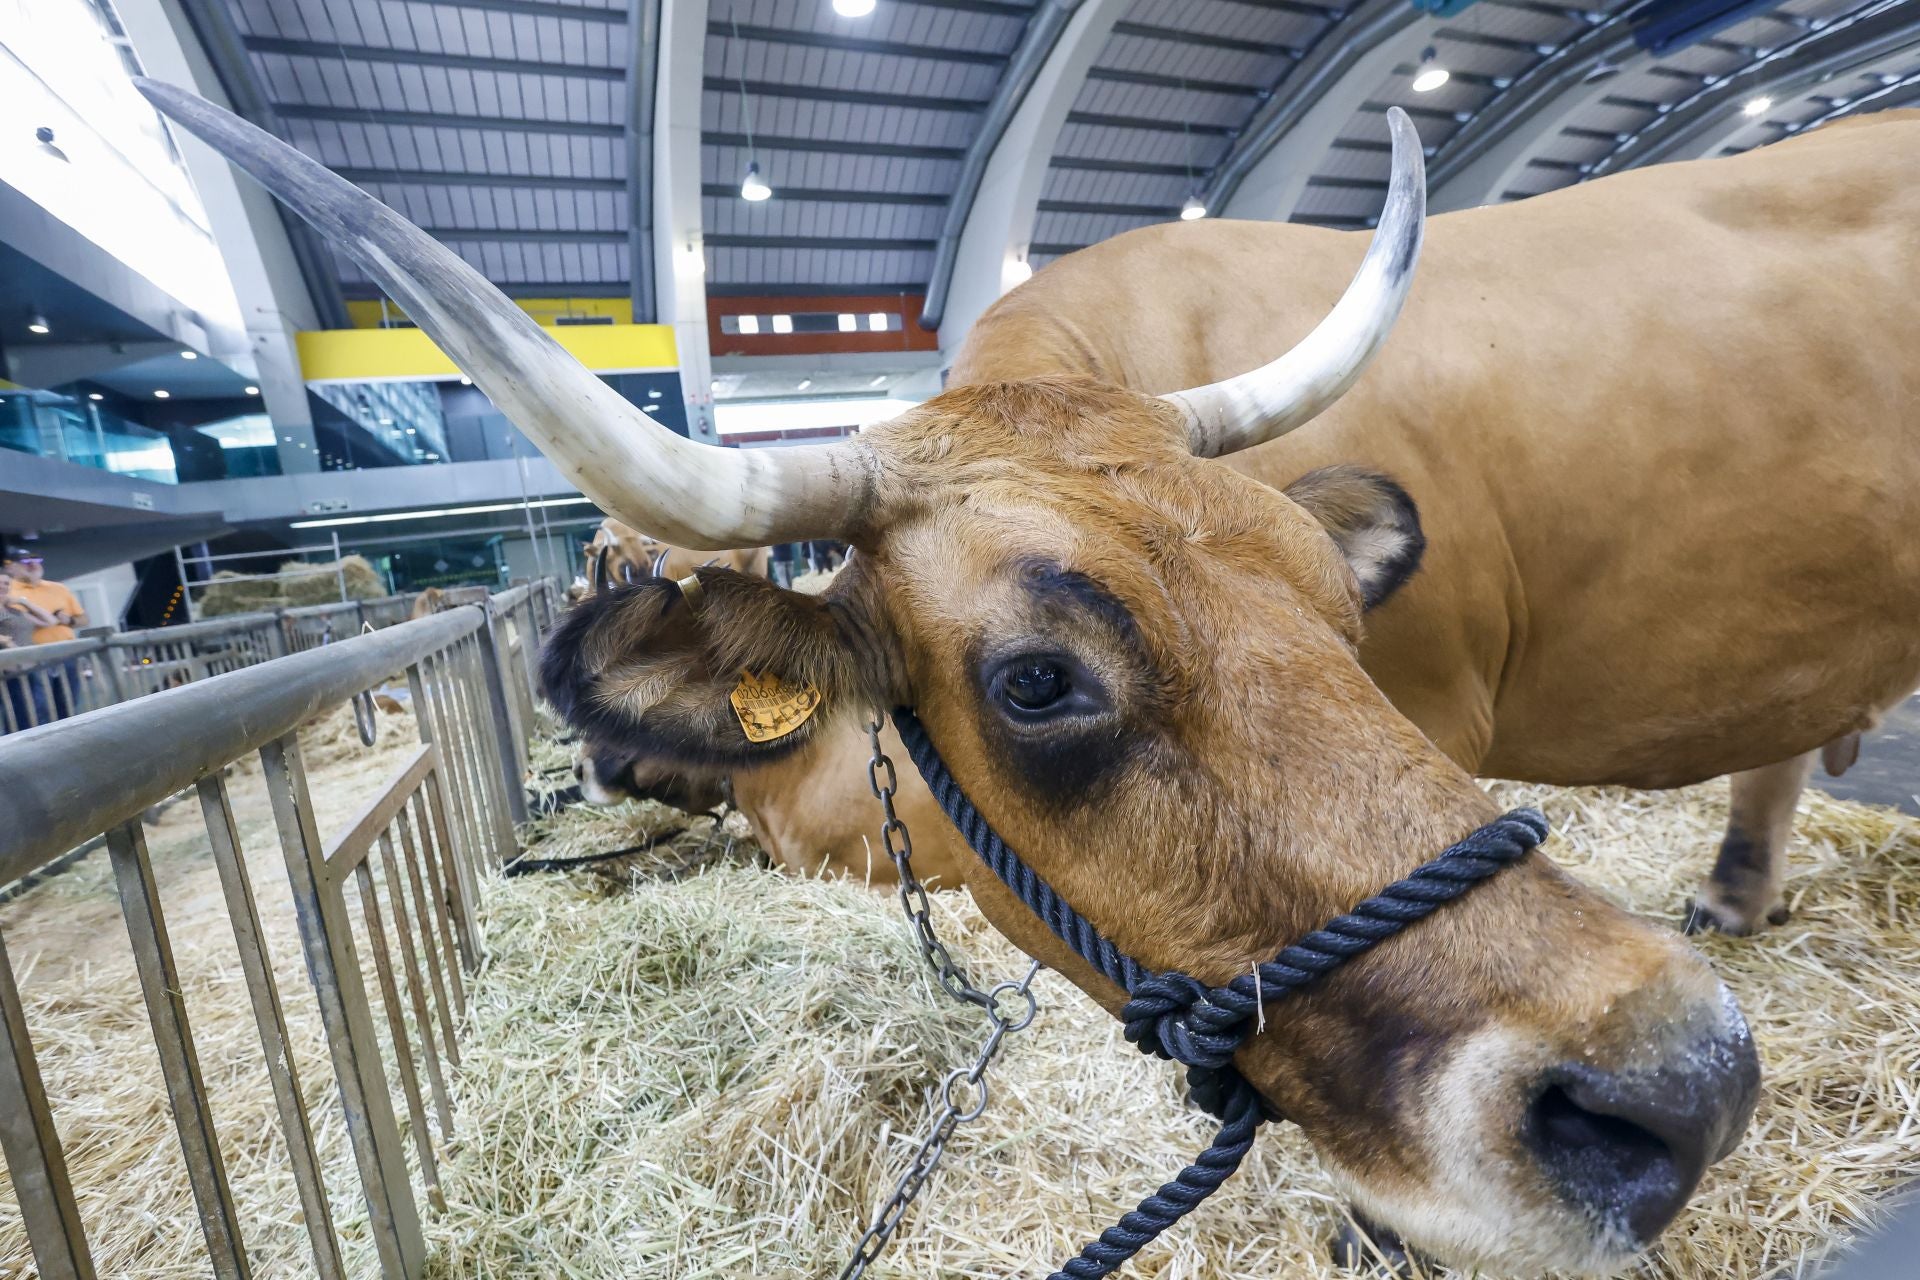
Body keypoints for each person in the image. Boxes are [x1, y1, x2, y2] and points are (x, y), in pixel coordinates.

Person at [2, 549, 87, 719]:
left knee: (69, 704)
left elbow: (82, 619)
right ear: (11, 567)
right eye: (26, 562)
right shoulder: (7, 591)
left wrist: (69, 620)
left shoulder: (59, 588)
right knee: (38, 709)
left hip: (66, 653)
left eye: (36, 559)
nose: (33, 564)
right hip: (34, 658)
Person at [0, 566, 57, 729]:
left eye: (6, 583)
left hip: (32, 666)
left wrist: (23, 601)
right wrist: (5, 641)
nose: (3, 586)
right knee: (20, 715)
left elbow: (50, 621)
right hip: (11, 670)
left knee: (40, 711)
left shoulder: (15, 610)